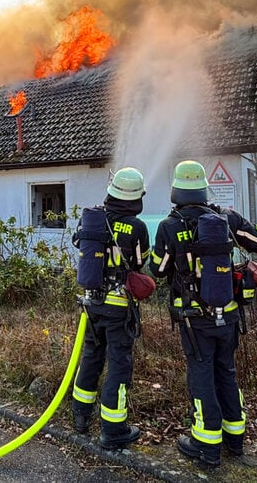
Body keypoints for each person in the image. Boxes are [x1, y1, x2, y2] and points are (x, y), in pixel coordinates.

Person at [150, 160, 257, 467]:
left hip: (194, 319)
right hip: (228, 315)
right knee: (226, 372)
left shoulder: (170, 225)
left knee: (201, 375)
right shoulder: (225, 217)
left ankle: (206, 445)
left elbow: (158, 269)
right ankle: (236, 439)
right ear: (204, 188)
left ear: (176, 190)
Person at [71, 167, 151, 450]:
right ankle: (113, 429)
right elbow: (140, 263)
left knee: (91, 357)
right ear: (135, 198)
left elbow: (79, 245)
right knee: (118, 364)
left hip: (91, 304)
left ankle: (80, 417)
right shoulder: (137, 227)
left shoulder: (93, 220)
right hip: (119, 308)